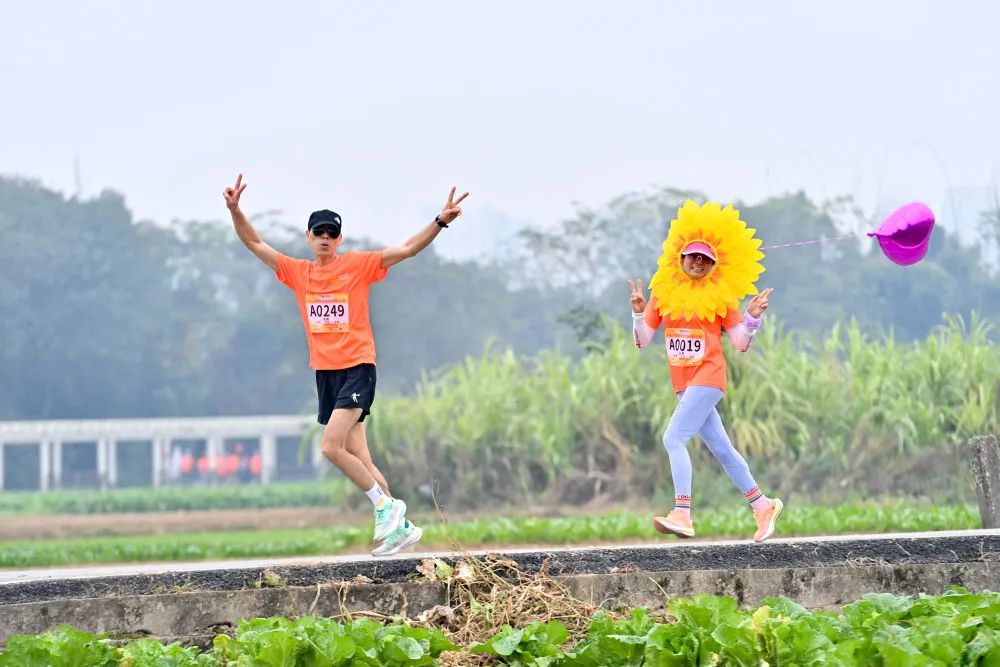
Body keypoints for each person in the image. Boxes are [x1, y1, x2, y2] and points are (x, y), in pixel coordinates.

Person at [223, 173, 469, 556]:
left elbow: (406, 250)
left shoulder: (357, 266)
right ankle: (400, 528)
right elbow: (253, 242)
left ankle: (386, 507)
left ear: (339, 239)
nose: (324, 238)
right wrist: (235, 210)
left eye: (331, 233)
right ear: (308, 237)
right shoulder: (298, 273)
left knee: (330, 447)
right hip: (326, 373)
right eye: (318, 232)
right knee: (362, 459)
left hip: (357, 367)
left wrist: (440, 221)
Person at [630, 200, 783, 542]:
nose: (697, 262)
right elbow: (642, 340)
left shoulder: (722, 299)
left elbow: (741, 342)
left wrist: (752, 315)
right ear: (680, 258)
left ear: (714, 264)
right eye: (692, 256)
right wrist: (639, 313)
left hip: (710, 377)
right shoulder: (663, 296)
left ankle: (682, 513)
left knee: (674, 438)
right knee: (722, 450)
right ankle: (762, 505)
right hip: (683, 384)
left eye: (705, 259)